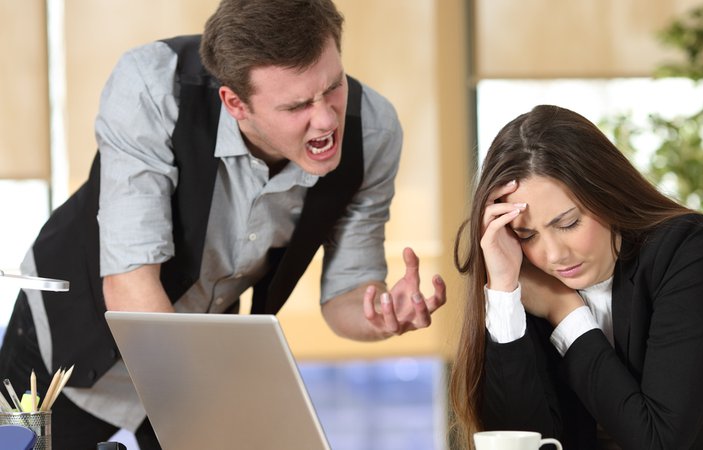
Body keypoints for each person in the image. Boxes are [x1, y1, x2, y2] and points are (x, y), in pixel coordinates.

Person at [0, 0, 446, 448]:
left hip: (191, 352)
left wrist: (382, 317)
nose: (327, 119)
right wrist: (216, 409)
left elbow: (347, 294)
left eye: (333, 87)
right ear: (235, 102)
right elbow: (131, 285)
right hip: (66, 339)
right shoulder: (153, 86)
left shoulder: (373, 132)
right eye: (296, 106)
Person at [449, 104, 703, 449]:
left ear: (606, 193)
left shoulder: (686, 246)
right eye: (526, 235)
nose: (553, 255)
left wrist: (565, 312)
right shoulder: (530, 274)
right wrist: (504, 293)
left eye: (568, 223)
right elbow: (522, 441)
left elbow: (658, 442)